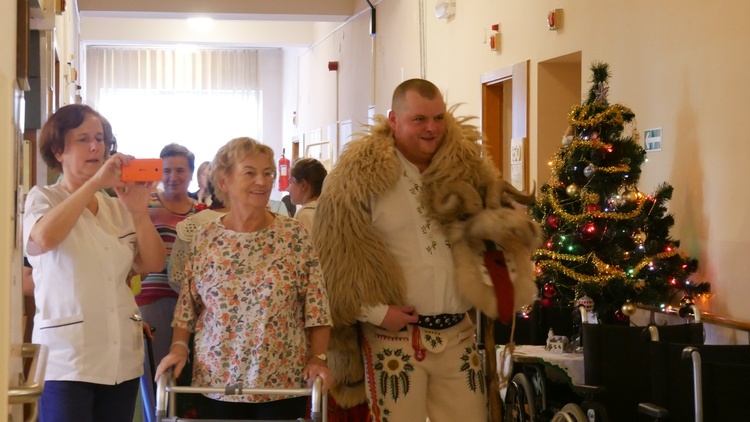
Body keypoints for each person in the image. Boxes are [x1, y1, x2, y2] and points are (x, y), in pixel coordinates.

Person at [314, 79, 540, 421]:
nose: (432, 128)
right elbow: (335, 261)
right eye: (419, 119)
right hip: (393, 338)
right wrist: (374, 312)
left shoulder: (467, 170)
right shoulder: (356, 178)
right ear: (393, 120)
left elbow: (487, 237)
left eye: (438, 118)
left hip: (459, 333)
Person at [155, 137, 333, 421]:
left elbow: (316, 304)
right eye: (250, 172)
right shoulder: (205, 238)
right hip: (216, 381)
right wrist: (178, 348)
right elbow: (187, 307)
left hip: (281, 382)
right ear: (223, 181)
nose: (262, 181)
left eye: (268, 173)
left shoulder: (293, 235)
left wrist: (318, 358)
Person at [23, 104, 166, 422]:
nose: (95, 147)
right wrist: (94, 183)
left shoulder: (116, 207)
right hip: (67, 361)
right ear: (59, 151)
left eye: (100, 139)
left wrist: (139, 211)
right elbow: (44, 239)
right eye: (83, 139)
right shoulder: (43, 197)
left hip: (120, 359)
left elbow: (152, 262)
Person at [135, 142, 197, 417]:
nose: (173, 177)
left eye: (180, 170)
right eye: (167, 170)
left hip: (190, 305)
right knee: (154, 376)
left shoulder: (202, 213)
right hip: (150, 300)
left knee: (186, 377)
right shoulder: (145, 205)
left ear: (191, 173)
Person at [287, 158, 327, 235]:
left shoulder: (304, 215)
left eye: (290, 182)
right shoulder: (327, 210)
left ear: (303, 185)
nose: (287, 189)